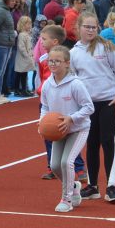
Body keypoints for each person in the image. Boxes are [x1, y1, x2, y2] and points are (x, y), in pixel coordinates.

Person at [71, 12, 115, 204]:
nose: (90, 30)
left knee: (107, 140)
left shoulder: (107, 47)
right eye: (87, 27)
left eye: (94, 27)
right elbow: (73, 80)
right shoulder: (74, 52)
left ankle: (111, 186)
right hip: (88, 105)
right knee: (92, 144)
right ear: (78, 28)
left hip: (108, 102)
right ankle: (93, 186)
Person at [41, 45, 94, 213]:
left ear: (67, 63)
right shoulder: (47, 85)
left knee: (67, 162)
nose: (53, 64)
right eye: (51, 60)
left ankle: (67, 199)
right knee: (55, 165)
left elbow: (89, 107)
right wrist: (42, 121)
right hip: (59, 130)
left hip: (78, 128)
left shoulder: (76, 84)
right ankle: (75, 186)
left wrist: (71, 118)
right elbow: (45, 107)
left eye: (57, 61)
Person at [36, 25, 87, 182]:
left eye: (44, 39)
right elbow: (40, 77)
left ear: (55, 41)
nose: (41, 42)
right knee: (49, 133)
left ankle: (78, 167)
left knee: (67, 136)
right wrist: (40, 90)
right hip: (48, 99)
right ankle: (52, 166)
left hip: (63, 100)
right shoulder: (43, 59)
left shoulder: (66, 61)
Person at [14, 16, 34, 97]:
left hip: (26, 57)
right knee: (21, 74)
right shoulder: (22, 35)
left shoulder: (27, 34)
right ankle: (20, 90)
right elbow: (21, 47)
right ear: (22, 24)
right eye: (27, 24)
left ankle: (22, 89)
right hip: (23, 58)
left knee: (23, 74)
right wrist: (27, 55)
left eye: (30, 23)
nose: (29, 25)